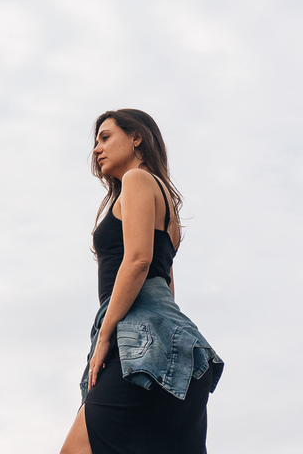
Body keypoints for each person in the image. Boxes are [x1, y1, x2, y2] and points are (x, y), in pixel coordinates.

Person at [60, 109, 223, 454]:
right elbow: (166, 288)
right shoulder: (169, 209)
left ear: (136, 137)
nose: (96, 149)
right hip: (179, 349)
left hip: (138, 338)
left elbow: (137, 262)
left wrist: (106, 335)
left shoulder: (136, 180)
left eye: (105, 137)